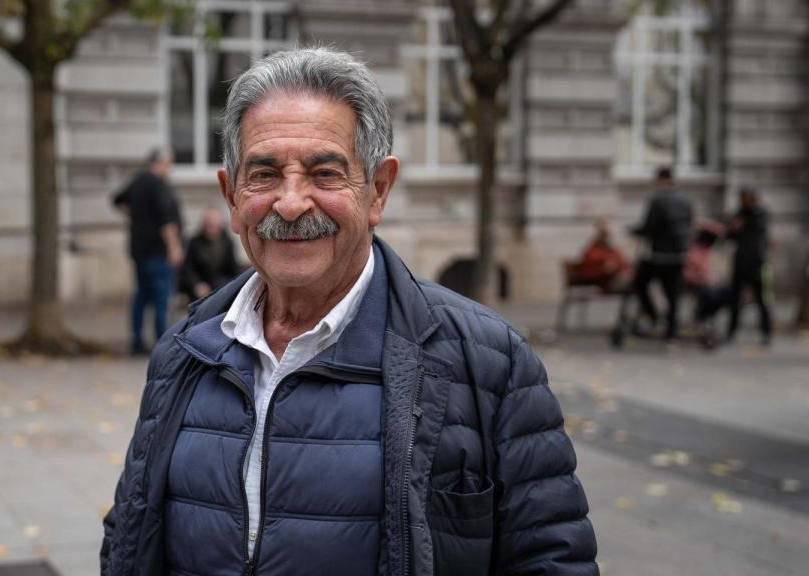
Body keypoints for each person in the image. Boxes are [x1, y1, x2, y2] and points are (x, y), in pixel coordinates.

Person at [101, 48, 597, 576]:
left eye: (324, 173)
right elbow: (128, 537)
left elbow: (551, 560)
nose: (290, 204)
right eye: (264, 174)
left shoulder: (491, 362)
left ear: (377, 191)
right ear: (231, 196)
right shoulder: (184, 352)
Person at [112, 150, 184, 355]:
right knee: (162, 296)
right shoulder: (158, 185)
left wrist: (137, 214)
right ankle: (163, 343)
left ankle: (136, 340)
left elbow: (117, 200)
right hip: (157, 251)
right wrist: (174, 247)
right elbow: (166, 221)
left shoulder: (137, 182)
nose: (169, 169)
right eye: (168, 164)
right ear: (159, 163)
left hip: (138, 249)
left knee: (141, 296)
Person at [629, 167, 693, 342]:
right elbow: (689, 224)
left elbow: (649, 227)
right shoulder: (685, 199)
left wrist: (635, 231)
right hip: (679, 254)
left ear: (662, 179)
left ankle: (653, 315)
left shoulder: (658, 201)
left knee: (639, 283)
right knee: (672, 294)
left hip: (659, 255)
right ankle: (671, 331)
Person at [727, 188, 772, 345]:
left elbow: (759, 231)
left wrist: (741, 225)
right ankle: (732, 331)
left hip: (756, 262)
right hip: (740, 262)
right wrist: (733, 228)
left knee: (762, 300)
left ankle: (766, 332)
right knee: (734, 299)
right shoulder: (740, 214)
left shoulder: (760, 214)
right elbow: (730, 235)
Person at [179, 208, 241, 301]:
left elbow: (232, 268)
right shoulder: (195, 242)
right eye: (209, 226)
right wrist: (197, 284)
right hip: (199, 284)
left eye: (214, 226)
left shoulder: (227, 242)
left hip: (220, 284)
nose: (211, 230)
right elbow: (188, 269)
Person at [576, 218, 631, 292]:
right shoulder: (592, 250)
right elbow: (589, 269)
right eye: (603, 233)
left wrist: (618, 267)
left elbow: (623, 263)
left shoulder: (612, 249)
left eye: (607, 233)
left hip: (615, 278)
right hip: (603, 281)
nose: (606, 236)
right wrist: (604, 268)